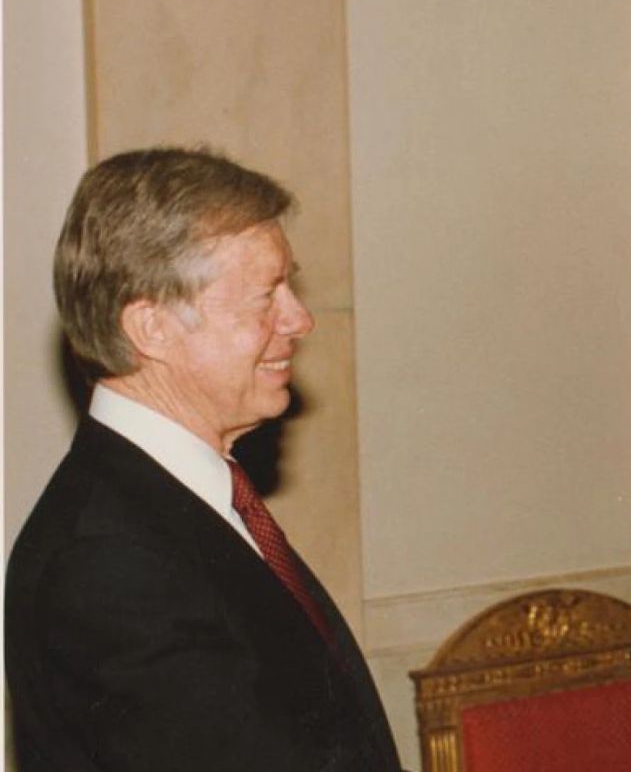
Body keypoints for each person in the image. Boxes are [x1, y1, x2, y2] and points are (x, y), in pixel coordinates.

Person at [6, 147, 404, 771]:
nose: (299, 320)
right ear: (151, 328)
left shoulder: (187, 505)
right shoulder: (111, 564)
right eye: (264, 296)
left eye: (290, 286)